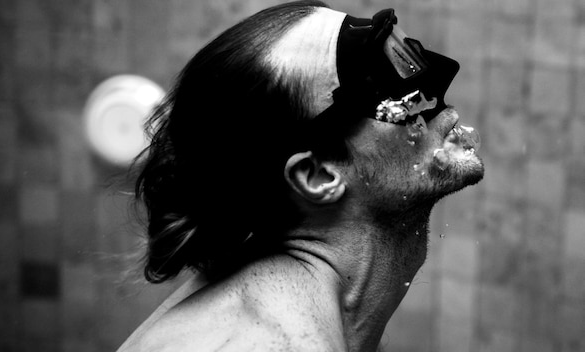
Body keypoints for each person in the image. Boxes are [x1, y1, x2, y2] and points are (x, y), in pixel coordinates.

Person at [118, 1, 484, 351]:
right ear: (317, 176)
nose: (430, 91)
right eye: (381, 81)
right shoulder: (284, 342)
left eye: (402, 57)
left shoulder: (278, 290)